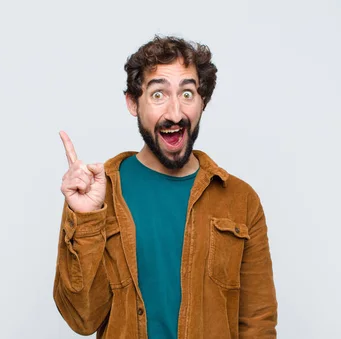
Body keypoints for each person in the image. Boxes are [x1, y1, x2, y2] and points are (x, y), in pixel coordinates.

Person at [53, 35, 277, 339]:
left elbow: (257, 324)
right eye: (158, 95)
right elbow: (82, 318)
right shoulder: (101, 193)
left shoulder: (241, 200)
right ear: (133, 102)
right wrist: (85, 220)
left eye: (187, 93)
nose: (175, 113)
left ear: (203, 101)